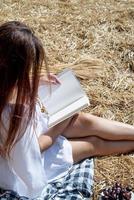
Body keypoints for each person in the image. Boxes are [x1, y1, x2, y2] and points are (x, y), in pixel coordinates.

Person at [0, 21, 134, 199]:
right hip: (18, 166)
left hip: (28, 136)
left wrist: (35, 79)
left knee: (85, 120)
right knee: (93, 144)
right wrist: (62, 121)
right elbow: (35, 149)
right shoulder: (14, 114)